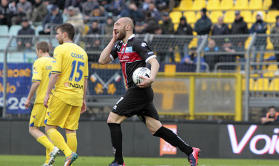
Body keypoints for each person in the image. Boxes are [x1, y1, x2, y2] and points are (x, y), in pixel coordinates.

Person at [98, 17, 200, 166]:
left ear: (127, 27)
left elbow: (154, 62)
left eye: (118, 24)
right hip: (140, 93)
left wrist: (151, 78)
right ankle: (190, 151)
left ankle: (118, 162)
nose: (114, 27)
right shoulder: (119, 46)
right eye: (114, 24)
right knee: (155, 128)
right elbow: (102, 60)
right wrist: (112, 40)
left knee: (112, 120)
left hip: (138, 90)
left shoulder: (138, 43)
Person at [43, 23, 88, 166]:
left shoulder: (60, 49)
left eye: (57, 33)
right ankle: (70, 164)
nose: (56, 36)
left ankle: (68, 154)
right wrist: (83, 99)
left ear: (64, 34)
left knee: (49, 127)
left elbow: (55, 74)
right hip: (77, 96)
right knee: (71, 131)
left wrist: (47, 94)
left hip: (62, 94)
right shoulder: (82, 52)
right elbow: (85, 79)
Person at [24, 41, 60, 166]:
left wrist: (28, 98)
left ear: (39, 50)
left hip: (41, 101)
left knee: (33, 129)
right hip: (54, 101)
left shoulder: (39, 62)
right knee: (49, 130)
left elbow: (36, 82)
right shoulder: (55, 61)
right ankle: (48, 162)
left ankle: (52, 147)